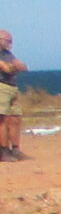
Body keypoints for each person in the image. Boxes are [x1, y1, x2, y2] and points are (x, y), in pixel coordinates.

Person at [0, 30, 24, 161]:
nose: (11, 44)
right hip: (1, 87)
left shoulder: (7, 54)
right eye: (8, 41)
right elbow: (7, 69)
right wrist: (14, 66)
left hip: (12, 87)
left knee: (15, 118)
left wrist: (15, 66)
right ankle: (4, 151)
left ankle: (15, 149)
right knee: (2, 120)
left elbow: (23, 66)